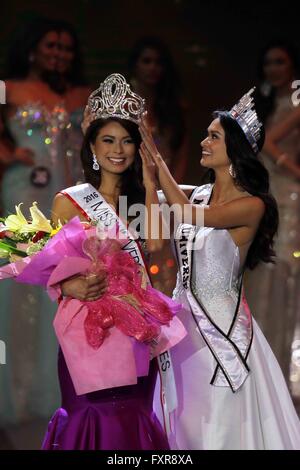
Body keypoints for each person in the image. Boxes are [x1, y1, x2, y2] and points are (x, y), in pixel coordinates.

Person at [139, 88, 300, 449]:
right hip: (182, 331)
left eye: (213, 136)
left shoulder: (252, 205)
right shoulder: (194, 193)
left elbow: (196, 217)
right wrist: (149, 180)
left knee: (220, 423)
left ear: (236, 151)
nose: (203, 141)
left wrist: (158, 162)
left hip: (223, 334)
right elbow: (152, 223)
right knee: (181, 420)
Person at [42, 73, 170, 450]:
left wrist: (149, 181)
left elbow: (158, 245)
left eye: (128, 140)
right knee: (88, 415)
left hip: (133, 332)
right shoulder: (70, 200)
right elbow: (48, 269)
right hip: (86, 332)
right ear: (93, 148)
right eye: (109, 140)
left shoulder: (140, 200)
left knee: (133, 416)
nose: (119, 149)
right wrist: (70, 285)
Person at [0, 18, 90, 426]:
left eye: (66, 48)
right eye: (51, 45)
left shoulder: (81, 94)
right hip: (24, 192)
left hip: (68, 196)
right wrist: (7, 154)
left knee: (62, 285)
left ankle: (49, 390)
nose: (59, 54)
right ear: (33, 48)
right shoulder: (9, 86)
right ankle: (13, 392)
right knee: (19, 283)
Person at [246, 40, 300, 384]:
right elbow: (262, 142)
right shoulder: (262, 100)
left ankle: (286, 367)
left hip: (291, 196)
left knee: (287, 271)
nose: (274, 69)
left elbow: (266, 141)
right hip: (271, 191)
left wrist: (293, 172)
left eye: (280, 61)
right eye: (269, 62)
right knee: (266, 271)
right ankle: (262, 365)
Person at [128, 36, 189, 297]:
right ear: (135, 65)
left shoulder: (174, 108)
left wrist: (166, 194)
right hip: (127, 194)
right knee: (133, 265)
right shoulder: (120, 107)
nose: (153, 68)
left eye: (158, 62)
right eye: (146, 61)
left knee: (164, 270)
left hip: (163, 194)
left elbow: (180, 157)